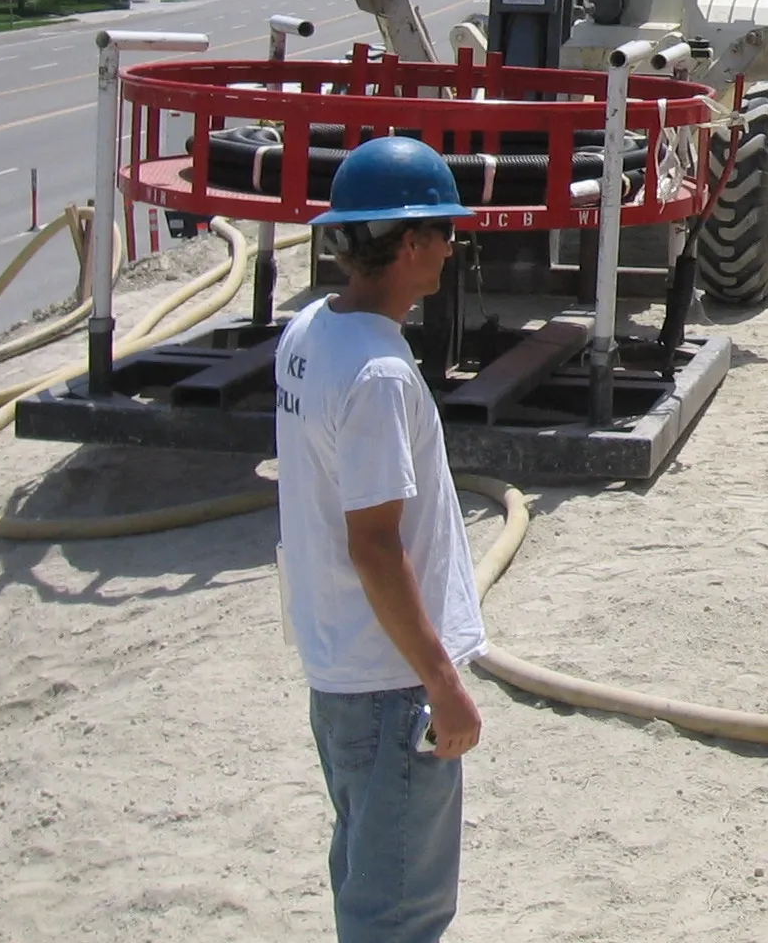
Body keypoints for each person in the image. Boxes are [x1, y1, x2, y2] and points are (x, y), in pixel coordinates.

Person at [276, 136, 484, 942]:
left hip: (338, 669)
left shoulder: (311, 334)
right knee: (400, 911)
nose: (452, 246)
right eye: (443, 231)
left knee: (366, 876)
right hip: (389, 683)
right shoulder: (380, 374)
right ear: (408, 244)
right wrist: (441, 680)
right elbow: (374, 544)